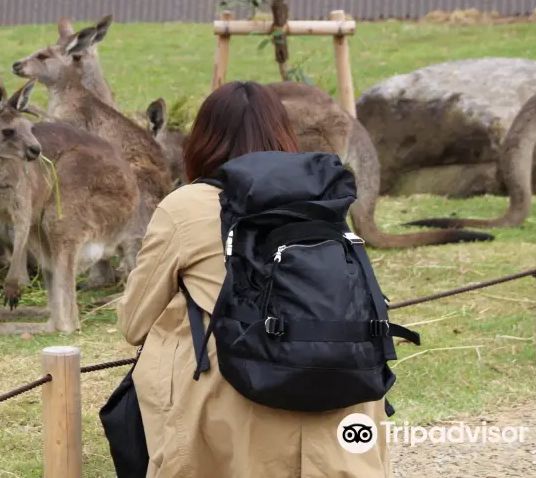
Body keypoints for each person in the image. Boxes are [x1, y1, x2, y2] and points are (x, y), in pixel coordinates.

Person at [116, 81, 393, 478]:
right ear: (283, 134)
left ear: (202, 141)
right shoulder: (323, 202)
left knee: (176, 322)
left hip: (235, 407)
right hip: (345, 399)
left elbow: (133, 323)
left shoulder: (186, 205)